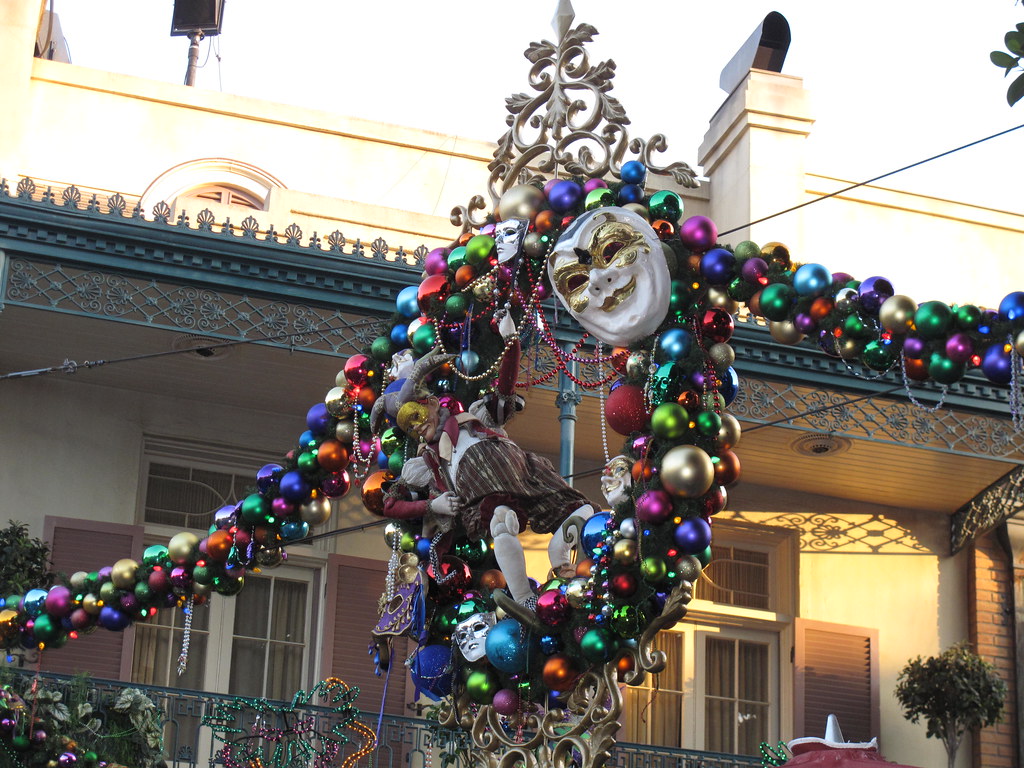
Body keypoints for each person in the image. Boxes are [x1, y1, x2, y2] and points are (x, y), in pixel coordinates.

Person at [382, 310, 596, 618]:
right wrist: (433, 505)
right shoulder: (427, 462)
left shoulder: (475, 419)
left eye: (416, 416)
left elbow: (505, 387)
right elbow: (390, 505)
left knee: (578, 510)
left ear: (431, 403)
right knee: (501, 520)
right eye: (408, 426)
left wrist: (512, 341)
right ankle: (524, 600)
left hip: (526, 474)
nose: (416, 427)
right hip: (487, 496)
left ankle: (563, 557)